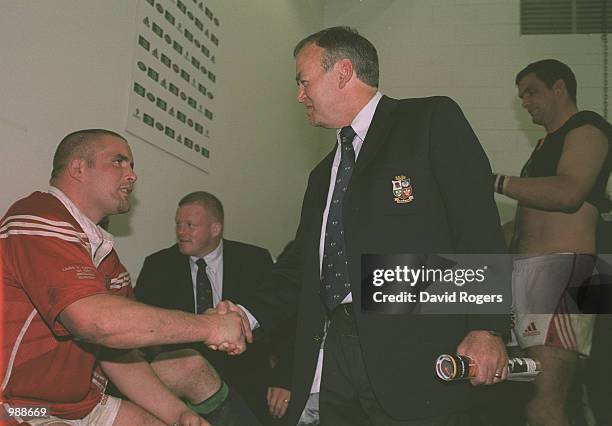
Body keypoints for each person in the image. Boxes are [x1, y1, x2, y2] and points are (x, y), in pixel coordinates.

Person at [219, 26, 510, 425]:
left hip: (417, 356)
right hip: (334, 357)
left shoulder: (428, 120)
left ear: (342, 72)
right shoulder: (322, 175)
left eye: (304, 82)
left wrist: (487, 328)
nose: (299, 95)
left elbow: (477, 225)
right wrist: (245, 315)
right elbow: (301, 267)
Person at [0, 129, 254, 425]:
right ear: (78, 168)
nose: (132, 175)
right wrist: (210, 326)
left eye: (132, 166)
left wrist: (180, 414)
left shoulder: (107, 257)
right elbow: (96, 323)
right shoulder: (37, 218)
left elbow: (117, 353)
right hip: (19, 406)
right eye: (119, 162)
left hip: (82, 404)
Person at [493, 59, 612, 426]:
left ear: (559, 87)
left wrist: (493, 182)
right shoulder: (542, 150)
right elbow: (527, 220)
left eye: (532, 91)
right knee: (535, 395)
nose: (525, 102)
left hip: (563, 273)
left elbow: (569, 193)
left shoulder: (586, 127)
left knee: (547, 397)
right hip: (530, 275)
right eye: (521, 96)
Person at [135, 191, 294, 425]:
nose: (181, 232)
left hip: (248, 385)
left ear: (215, 228)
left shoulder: (254, 260)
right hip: (181, 396)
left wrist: (284, 379)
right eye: (178, 224)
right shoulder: (157, 266)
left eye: (190, 225)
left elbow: (285, 323)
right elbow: (142, 330)